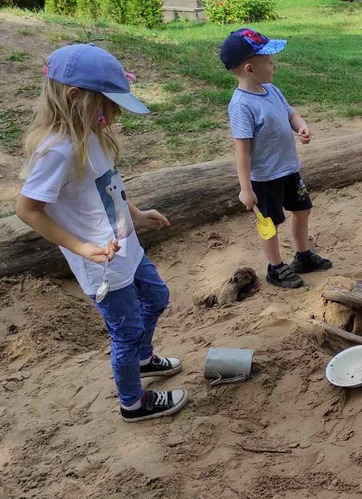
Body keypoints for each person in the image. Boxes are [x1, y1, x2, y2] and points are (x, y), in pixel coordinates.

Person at [16, 44, 188, 423]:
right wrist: (82, 248)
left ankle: (142, 359)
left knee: (156, 296)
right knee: (126, 330)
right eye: (109, 104)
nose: (116, 113)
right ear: (75, 97)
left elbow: (108, 188)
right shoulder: (57, 151)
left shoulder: (92, 134)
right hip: (101, 264)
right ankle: (133, 402)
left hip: (126, 246)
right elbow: (27, 210)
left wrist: (137, 214)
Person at [222, 28, 332, 290]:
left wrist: (301, 126)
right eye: (270, 62)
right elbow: (242, 150)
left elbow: (291, 114)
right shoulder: (242, 105)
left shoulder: (272, 90)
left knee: (302, 210)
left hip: (289, 169)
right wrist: (245, 188)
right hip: (264, 178)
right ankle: (275, 267)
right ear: (250, 69)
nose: (275, 66)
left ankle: (302, 255)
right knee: (269, 223)